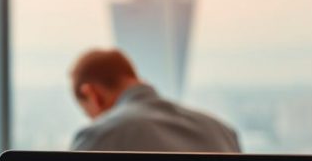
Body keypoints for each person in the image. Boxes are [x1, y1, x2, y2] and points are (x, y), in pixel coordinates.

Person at [68, 48, 241, 152]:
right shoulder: (223, 132)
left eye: (89, 114)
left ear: (92, 94)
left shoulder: (100, 135)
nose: (95, 121)